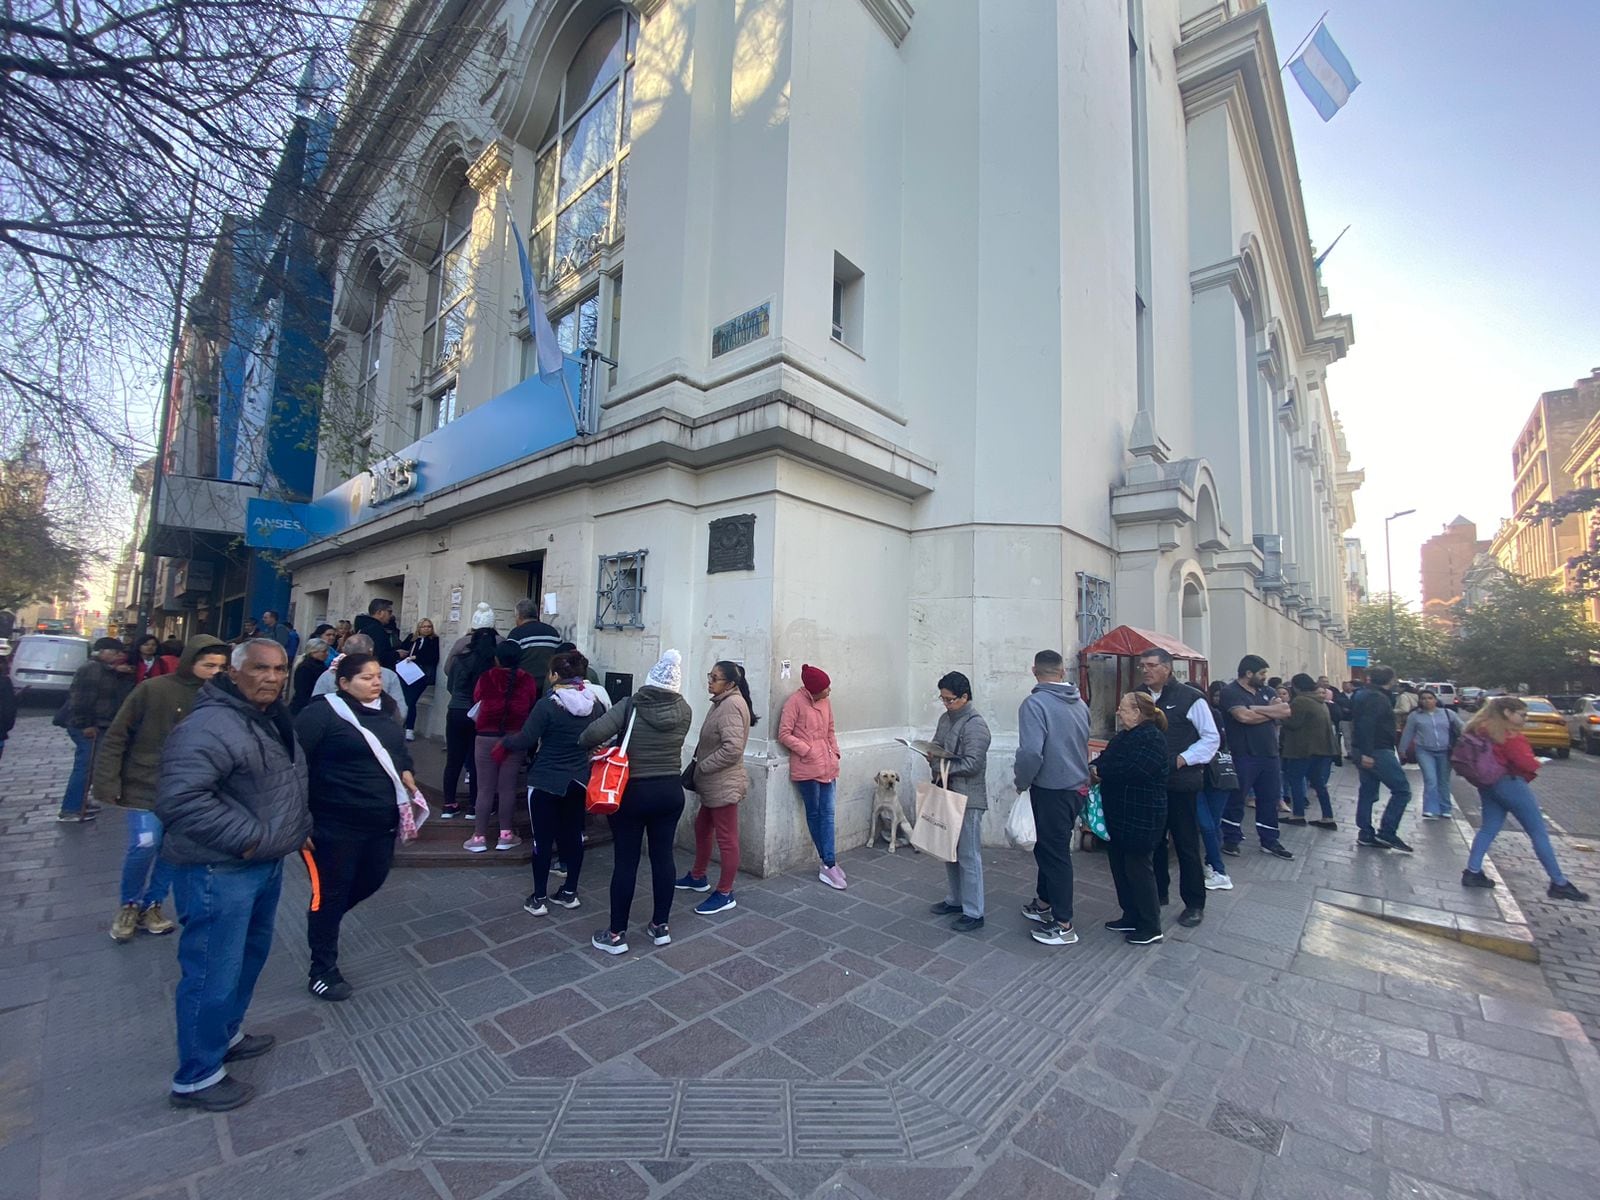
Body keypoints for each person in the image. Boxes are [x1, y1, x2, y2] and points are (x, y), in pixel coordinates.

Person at [155, 639, 312, 1112]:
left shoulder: (268, 717)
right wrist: (252, 838)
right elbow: (181, 800)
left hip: (261, 862)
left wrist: (294, 830)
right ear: (233, 673)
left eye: (280, 669)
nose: (271, 677)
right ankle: (197, 1076)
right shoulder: (209, 724)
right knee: (211, 972)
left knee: (247, 957)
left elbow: (281, 782)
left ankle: (225, 1036)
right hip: (218, 867)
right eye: (260, 669)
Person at [294, 653, 416, 1000]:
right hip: (331, 826)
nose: (375, 682)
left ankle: (322, 920)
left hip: (380, 822)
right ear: (344, 683)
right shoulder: (321, 714)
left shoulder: (387, 711)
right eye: (366, 677)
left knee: (372, 878)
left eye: (377, 676)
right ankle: (323, 969)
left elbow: (396, 750)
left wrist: (407, 768)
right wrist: (298, 820)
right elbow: (293, 765)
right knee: (330, 892)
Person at [93, 636, 231, 943]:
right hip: (146, 784)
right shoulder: (153, 689)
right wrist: (107, 782)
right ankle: (129, 904)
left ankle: (152, 905)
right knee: (145, 843)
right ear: (190, 661)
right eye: (208, 665)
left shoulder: (223, 697)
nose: (215, 671)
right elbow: (117, 735)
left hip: (192, 790)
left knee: (172, 848)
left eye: (221, 666)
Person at [580, 650, 693, 954]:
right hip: (670, 790)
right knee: (663, 857)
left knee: (626, 862)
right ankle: (661, 926)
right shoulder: (686, 710)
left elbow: (590, 734)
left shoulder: (630, 705)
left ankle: (616, 934)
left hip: (633, 791)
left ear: (650, 679)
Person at [500, 649, 605, 915]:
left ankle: (538, 898)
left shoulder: (546, 705)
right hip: (578, 778)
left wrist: (504, 741)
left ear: (555, 675)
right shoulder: (595, 704)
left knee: (542, 841)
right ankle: (569, 892)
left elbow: (526, 739)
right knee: (574, 836)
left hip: (546, 779)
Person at [1460, 697, 1587, 901]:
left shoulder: (1479, 728)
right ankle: (1559, 882)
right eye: (1522, 714)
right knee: (1538, 832)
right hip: (1510, 783)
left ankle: (1473, 871)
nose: (1525, 719)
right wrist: (1536, 762)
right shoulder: (1509, 734)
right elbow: (1525, 763)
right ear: (1507, 713)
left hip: (1487, 782)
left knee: (1488, 828)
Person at [1014, 650, 1091, 947]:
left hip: (1051, 789)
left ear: (1035, 670)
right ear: (1061, 671)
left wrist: (1022, 781)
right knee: (1047, 849)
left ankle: (1063, 924)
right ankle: (1044, 902)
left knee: (1055, 854)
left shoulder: (1035, 704)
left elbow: (1031, 752)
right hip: (1075, 787)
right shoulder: (1079, 703)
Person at [1137, 648, 1217, 929]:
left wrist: (1183, 759)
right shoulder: (1139, 696)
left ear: (1167, 668)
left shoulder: (1190, 698)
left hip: (1181, 784)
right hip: (1149, 784)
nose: (1145, 670)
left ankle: (1194, 903)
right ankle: (1157, 893)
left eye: (1151, 665)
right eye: (1142, 666)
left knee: (1185, 845)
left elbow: (1210, 738)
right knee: (1153, 842)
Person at [677, 660, 756, 915]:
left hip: (723, 782)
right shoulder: (722, 701)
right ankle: (698, 876)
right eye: (709, 676)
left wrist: (704, 765)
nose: (709, 681)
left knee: (727, 838)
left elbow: (732, 749)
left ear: (731, 683)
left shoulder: (732, 704)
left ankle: (725, 892)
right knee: (702, 826)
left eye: (715, 678)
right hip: (713, 782)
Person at [917, 671, 992, 932]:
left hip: (968, 798)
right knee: (949, 851)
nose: (946, 704)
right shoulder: (945, 718)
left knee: (968, 855)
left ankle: (974, 911)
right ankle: (956, 900)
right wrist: (929, 752)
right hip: (947, 791)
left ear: (964, 697)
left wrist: (939, 762)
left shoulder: (976, 724)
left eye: (949, 700)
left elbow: (973, 763)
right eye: (943, 699)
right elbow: (938, 743)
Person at [1096, 693, 1172, 945]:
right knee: (1121, 867)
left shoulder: (1152, 739)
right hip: (1120, 815)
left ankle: (1151, 925)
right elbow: (1106, 760)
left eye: (1123, 708)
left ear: (1138, 713)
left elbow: (1132, 770)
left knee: (1139, 870)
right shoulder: (1125, 736)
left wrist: (1101, 771)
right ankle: (1130, 914)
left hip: (1142, 816)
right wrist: (1099, 768)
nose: (1118, 712)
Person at [465, 641, 538, 852]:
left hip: (485, 736)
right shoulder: (527, 680)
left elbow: (477, 697)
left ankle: (479, 837)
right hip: (515, 737)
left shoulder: (486, 677)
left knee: (485, 788)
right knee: (508, 788)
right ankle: (505, 834)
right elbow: (531, 701)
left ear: (497, 658)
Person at [1219, 654, 1294, 860]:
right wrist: (1270, 712)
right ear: (1248, 673)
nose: (1265, 677)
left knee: (1269, 799)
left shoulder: (1267, 690)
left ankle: (1270, 840)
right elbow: (1243, 716)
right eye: (1262, 673)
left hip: (1269, 754)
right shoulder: (1230, 692)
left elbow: (1285, 710)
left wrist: (1256, 709)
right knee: (1237, 798)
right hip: (1243, 754)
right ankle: (1231, 839)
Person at [779, 664, 844, 889]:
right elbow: (784, 734)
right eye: (825, 688)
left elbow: (831, 730)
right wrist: (807, 750)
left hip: (827, 764)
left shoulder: (826, 702)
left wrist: (834, 752)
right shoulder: (794, 703)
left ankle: (829, 861)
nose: (829, 691)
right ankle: (828, 863)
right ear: (814, 689)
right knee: (815, 814)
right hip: (807, 767)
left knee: (828, 814)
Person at [59, 636, 136, 821]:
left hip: (98, 723)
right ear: (102, 651)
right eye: (115, 653)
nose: (118, 656)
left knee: (91, 765)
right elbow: (82, 699)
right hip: (88, 724)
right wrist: (85, 724)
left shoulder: (102, 668)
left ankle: (80, 802)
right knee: (84, 767)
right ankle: (71, 809)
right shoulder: (92, 669)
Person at [441, 613, 499, 819]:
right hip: (480, 714)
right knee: (477, 761)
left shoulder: (459, 660)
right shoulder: (492, 665)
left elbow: (450, 685)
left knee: (453, 759)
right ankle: (475, 805)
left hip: (456, 710)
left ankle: (449, 804)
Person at [1351, 666, 1413, 852]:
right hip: (1378, 750)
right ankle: (1387, 832)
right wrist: (1368, 753)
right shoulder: (1377, 698)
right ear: (1391, 679)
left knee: (1368, 791)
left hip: (1366, 749)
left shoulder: (1363, 694)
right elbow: (1367, 725)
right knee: (1402, 790)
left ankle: (1366, 833)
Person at [1281, 673, 1338, 828]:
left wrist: (1279, 716)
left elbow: (1293, 723)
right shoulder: (1320, 701)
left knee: (1295, 779)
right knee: (1319, 783)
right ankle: (1328, 817)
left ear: (1296, 686)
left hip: (1303, 749)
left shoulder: (1301, 701)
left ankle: (1298, 814)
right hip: (1322, 749)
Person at [1197, 681, 1237, 890]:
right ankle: (1213, 865)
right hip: (1200, 778)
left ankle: (1217, 868)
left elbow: (1218, 741)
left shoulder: (1214, 714)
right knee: (1209, 824)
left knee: (1210, 824)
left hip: (1213, 776)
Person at [312, 633, 407, 719]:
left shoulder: (328, 675)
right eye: (367, 678)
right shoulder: (388, 675)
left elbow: (315, 707)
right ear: (371, 651)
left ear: (344, 650)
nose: (376, 681)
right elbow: (400, 711)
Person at [1401, 689, 1462, 820]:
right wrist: (1402, 750)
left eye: (1430, 698)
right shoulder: (1415, 716)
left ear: (1435, 700)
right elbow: (1408, 733)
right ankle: (1430, 808)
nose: (1426, 701)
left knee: (1443, 781)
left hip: (1445, 751)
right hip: (1424, 751)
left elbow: (1462, 729)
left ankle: (1445, 808)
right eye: (1423, 698)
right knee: (1430, 779)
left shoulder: (1448, 714)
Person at [396, 617, 440, 740]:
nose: (426, 629)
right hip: (406, 672)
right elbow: (402, 649)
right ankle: (401, 725)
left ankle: (409, 728)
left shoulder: (433, 640)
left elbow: (432, 656)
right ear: (419, 628)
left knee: (411, 700)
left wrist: (416, 657)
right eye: (424, 626)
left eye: (429, 626)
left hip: (421, 674)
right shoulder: (412, 638)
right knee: (404, 699)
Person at [507, 597, 561, 687]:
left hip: (523, 686)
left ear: (519, 616)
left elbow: (508, 661)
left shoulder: (516, 634)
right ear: (536, 614)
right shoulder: (553, 632)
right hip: (548, 685)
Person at [290, 639, 332, 714]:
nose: (327, 654)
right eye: (324, 651)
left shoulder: (320, 665)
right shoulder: (305, 667)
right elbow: (302, 690)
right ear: (313, 652)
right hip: (305, 705)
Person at [353, 598, 397, 669]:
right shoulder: (376, 629)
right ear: (380, 613)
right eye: (389, 612)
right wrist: (397, 654)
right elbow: (380, 654)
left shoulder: (364, 626)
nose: (391, 615)